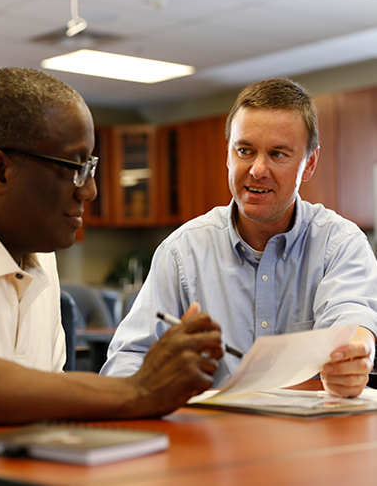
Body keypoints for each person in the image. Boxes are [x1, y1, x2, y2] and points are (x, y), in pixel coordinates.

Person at [0, 67, 224, 428]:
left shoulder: (39, 255)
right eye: (74, 167)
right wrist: (136, 391)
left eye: (89, 167)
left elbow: (42, 402)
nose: (89, 190)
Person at [101, 78, 377, 398]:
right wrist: (158, 380)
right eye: (245, 150)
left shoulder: (340, 244)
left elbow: (352, 323)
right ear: (229, 156)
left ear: (309, 163)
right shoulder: (182, 252)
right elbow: (126, 361)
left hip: (309, 435)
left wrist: (352, 359)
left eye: (278, 154)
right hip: (209, 434)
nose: (258, 170)